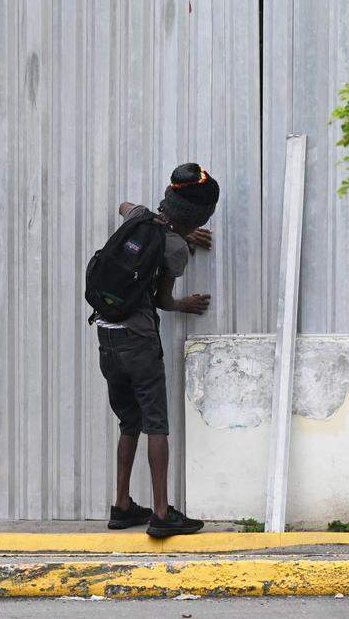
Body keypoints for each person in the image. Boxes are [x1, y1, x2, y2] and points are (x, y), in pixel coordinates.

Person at [99, 163, 218, 537]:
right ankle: (162, 513)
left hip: (106, 334)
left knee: (128, 422)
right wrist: (186, 303)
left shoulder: (140, 218)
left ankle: (121, 505)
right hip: (139, 340)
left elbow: (123, 205)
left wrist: (172, 224)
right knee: (156, 424)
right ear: (199, 217)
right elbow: (163, 300)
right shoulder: (176, 248)